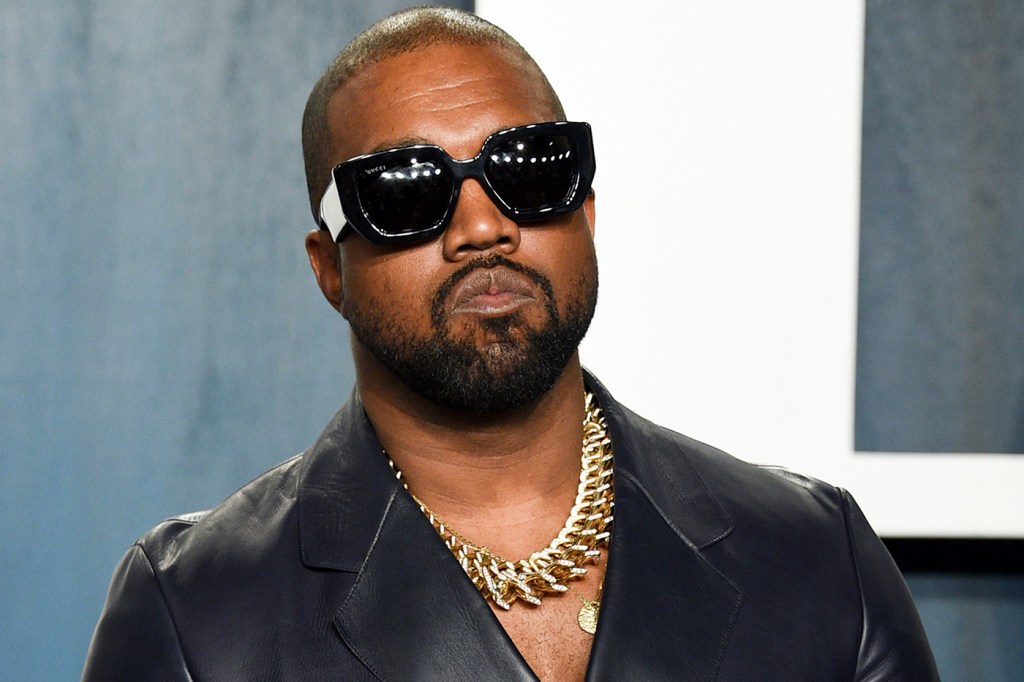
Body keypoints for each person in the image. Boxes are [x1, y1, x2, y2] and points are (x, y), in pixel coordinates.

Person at [83, 7, 938, 681]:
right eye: (407, 191)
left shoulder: (817, 558)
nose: (484, 226)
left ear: (587, 211)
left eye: (530, 168)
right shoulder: (197, 612)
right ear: (328, 268)